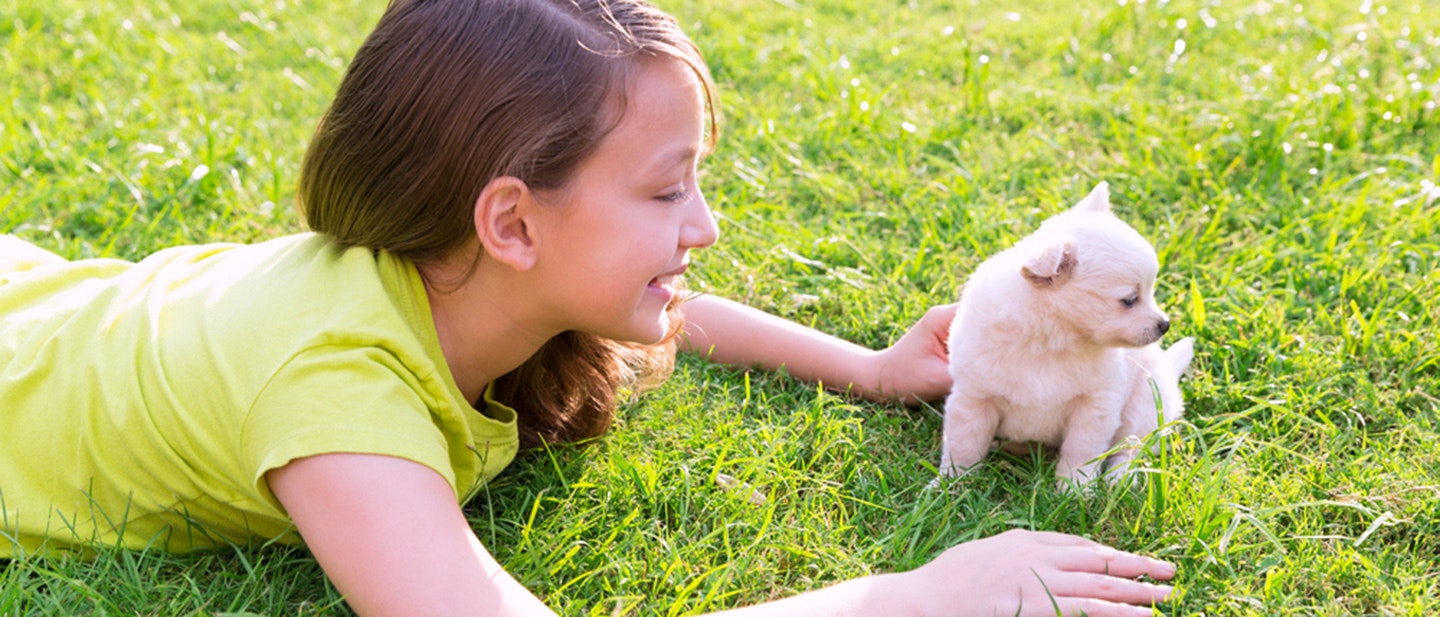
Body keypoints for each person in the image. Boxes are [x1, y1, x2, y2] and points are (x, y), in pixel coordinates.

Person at [0, 0, 1176, 614]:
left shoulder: (460, 275)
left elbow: (666, 304)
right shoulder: (334, 398)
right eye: (668, 189)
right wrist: (915, 595)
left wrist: (871, 367)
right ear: (510, 222)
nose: (703, 225)